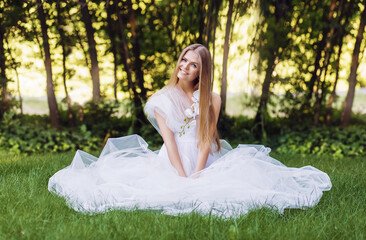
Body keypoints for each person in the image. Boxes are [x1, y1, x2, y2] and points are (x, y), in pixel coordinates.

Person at [48, 44, 331, 218]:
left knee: (232, 188)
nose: (185, 66)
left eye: (193, 64)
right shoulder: (162, 98)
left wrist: (199, 172)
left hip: (204, 155)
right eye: (184, 60)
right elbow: (169, 141)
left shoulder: (213, 98)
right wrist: (184, 178)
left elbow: (207, 137)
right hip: (174, 158)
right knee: (170, 190)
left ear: (201, 71)